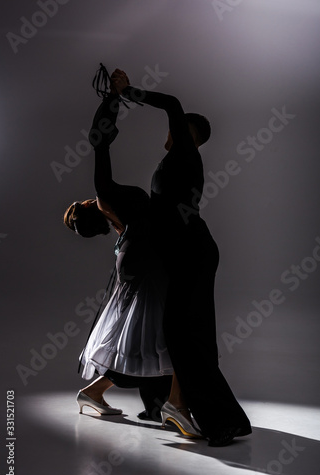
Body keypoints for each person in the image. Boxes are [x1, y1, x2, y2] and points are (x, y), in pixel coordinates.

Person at [111, 69, 252, 446]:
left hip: (193, 253)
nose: (167, 132)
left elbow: (171, 104)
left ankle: (213, 419)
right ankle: (196, 411)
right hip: (189, 253)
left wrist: (129, 92)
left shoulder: (185, 153)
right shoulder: (178, 163)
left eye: (174, 128)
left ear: (187, 134)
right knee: (186, 335)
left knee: (185, 335)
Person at [63, 80, 199, 435]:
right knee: (170, 332)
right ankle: (177, 404)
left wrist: (114, 102)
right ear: (90, 205)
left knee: (145, 335)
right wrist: (111, 100)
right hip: (142, 261)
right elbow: (99, 141)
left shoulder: (111, 204)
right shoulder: (105, 193)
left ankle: (93, 393)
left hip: (139, 259)